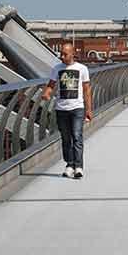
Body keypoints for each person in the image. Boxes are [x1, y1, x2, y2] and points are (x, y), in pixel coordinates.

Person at [41, 43, 92, 179]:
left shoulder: (82, 69)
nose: (62, 57)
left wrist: (89, 110)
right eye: (61, 54)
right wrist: (46, 93)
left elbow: (87, 90)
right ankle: (69, 165)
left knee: (77, 136)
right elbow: (51, 85)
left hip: (77, 108)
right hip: (61, 108)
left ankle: (78, 166)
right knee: (65, 138)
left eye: (65, 54)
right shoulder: (57, 69)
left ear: (72, 53)